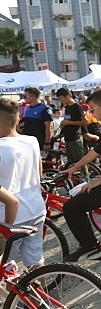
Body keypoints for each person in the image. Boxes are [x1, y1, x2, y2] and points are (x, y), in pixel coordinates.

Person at [61, 89, 101, 262]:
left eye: (92, 109)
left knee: (71, 207)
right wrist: (74, 168)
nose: (90, 113)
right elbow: (95, 152)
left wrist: (97, 182)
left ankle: (90, 247)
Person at [0, 98, 47, 272]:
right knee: (36, 262)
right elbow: (39, 172)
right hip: (36, 209)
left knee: (6, 268)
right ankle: (37, 300)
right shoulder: (31, 141)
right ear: (17, 119)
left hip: (8, 218)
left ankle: (8, 299)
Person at [55, 87, 89, 166]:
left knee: (80, 161)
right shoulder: (66, 108)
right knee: (70, 163)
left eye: (61, 98)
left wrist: (69, 122)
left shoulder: (77, 107)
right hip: (67, 138)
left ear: (67, 97)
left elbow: (85, 122)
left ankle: (85, 176)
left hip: (75, 138)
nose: (60, 101)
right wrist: (63, 125)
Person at [20, 87, 54, 151]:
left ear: (32, 97)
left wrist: (47, 143)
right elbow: (29, 122)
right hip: (29, 143)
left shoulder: (44, 109)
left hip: (40, 142)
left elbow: (50, 127)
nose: (24, 99)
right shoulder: (28, 108)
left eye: (25, 96)